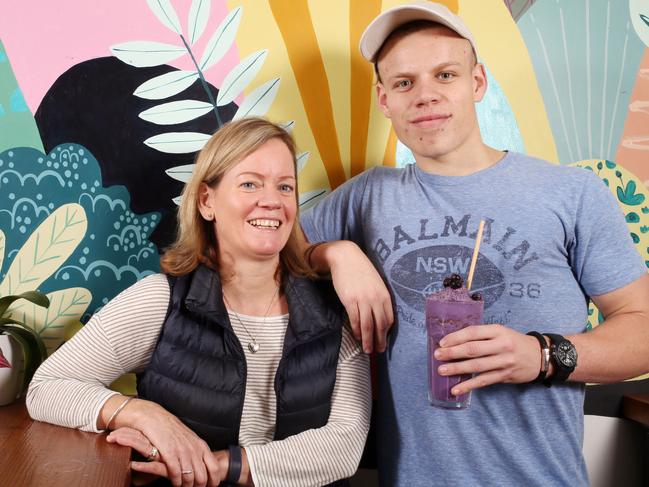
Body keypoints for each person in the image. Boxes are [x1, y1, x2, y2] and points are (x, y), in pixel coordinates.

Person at [300, 2, 649, 486]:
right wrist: (335, 252)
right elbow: (267, 253)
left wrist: (542, 356)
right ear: (384, 100)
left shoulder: (571, 193)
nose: (424, 96)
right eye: (404, 83)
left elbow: (644, 329)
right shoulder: (368, 196)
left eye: (445, 75)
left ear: (478, 82)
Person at [27, 117, 370, 487]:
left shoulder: (335, 312)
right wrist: (139, 414)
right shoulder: (161, 300)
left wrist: (220, 466)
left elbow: (344, 446)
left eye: (285, 187)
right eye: (250, 183)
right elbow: (46, 387)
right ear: (207, 201)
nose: (272, 201)